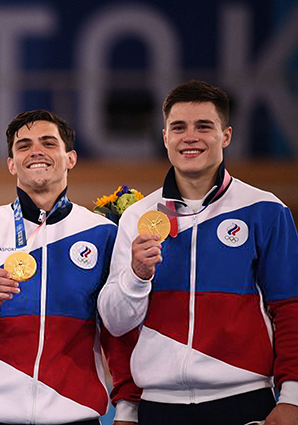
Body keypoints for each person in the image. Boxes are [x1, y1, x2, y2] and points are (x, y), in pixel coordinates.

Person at [97, 80, 298, 425]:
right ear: (165, 138)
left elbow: (291, 307)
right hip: (158, 407)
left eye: (204, 126)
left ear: (226, 136)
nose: (190, 137)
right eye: (179, 127)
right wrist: (136, 275)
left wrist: (293, 398)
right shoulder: (137, 217)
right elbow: (116, 325)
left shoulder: (265, 210)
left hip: (244, 401)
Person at [0, 109, 140, 425]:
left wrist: (129, 410)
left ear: (70, 158)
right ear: (11, 164)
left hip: (75, 415)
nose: (36, 151)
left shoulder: (103, 233)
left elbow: (119, 332)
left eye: (48, 143)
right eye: (23, 146)